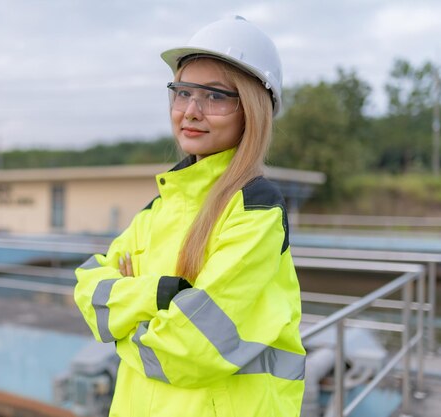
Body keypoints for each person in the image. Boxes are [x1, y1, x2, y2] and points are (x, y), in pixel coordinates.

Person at [74, 16, 305, 417]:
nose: (191, 111)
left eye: (215, 96)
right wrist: (160, 295)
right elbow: (88, 290)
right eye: (183, 92)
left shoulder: (255, 209)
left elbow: (188, 348)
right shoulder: (160, 207)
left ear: (251, 109)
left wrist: (122, 330)